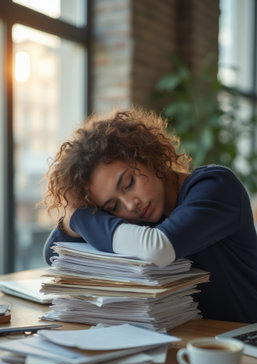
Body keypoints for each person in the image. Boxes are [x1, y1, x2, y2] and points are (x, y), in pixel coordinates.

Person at [43, 107, 257, 323]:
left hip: (243, 341)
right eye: (113, 206)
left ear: (146, 155)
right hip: (186, 337)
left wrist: (78, 217)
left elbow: (157, 248)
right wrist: (70, 222)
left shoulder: (216, 186)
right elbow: (54, 256)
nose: (130, 205)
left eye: (129, 183)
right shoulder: (142, 220)